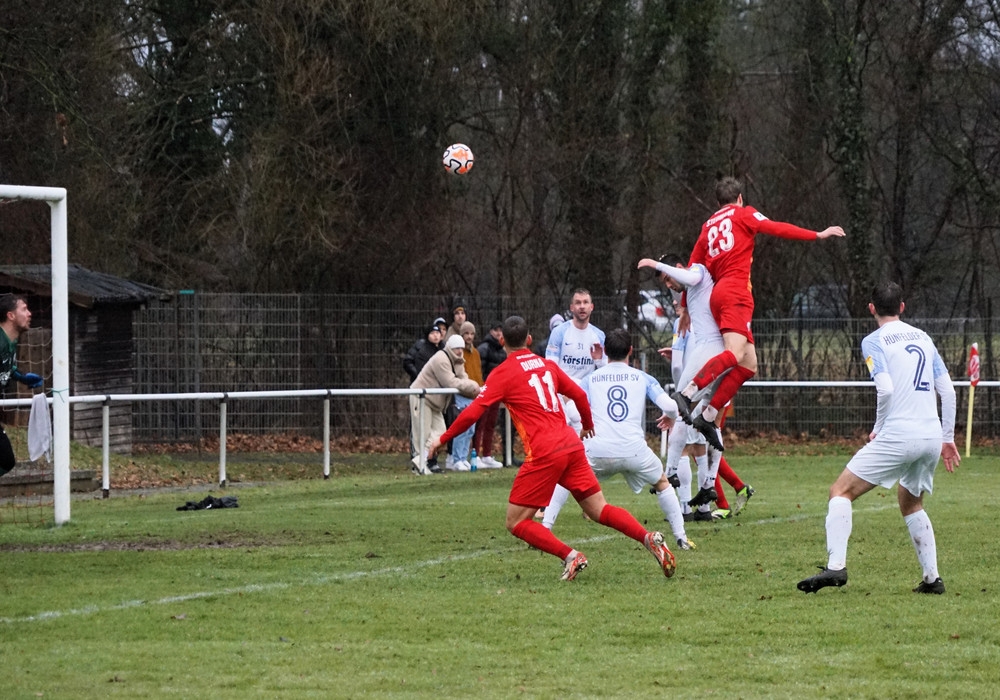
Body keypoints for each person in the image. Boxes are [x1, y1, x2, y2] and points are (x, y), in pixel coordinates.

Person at [428, 315, 677, 581]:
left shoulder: (502, 373)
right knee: (599, 509)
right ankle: (647, 537)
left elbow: (474, 411)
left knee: (516, 521)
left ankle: (571, 556)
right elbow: (579, 395)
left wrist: (442, 439)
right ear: (529, 339)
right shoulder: (547, 366)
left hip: (544, 452)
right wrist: (587, 426)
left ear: (502, 342)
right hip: (571, 444)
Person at [797, 282, 960, 594]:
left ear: (871, 308)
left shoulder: (874, 341)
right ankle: (932, 580)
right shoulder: (923, 337)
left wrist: (879, 426)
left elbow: (885, 389)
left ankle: (836, 567)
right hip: (930, 436)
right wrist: (947, 437)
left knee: (840, 491)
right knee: (911, 501)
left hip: (899, 433)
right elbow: (949, 392)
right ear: (902, 307)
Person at [672, 176, 846, 449]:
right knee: (734, 354)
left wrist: (684, 306)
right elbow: (777, 227)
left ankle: (708, 416)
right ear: (740, 198)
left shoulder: (708, 226)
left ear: (718, 203)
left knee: (748, 364)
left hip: (718, 294)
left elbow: (693, 268)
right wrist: (817, 234)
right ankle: (688, 392)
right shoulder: (744, 214)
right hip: (736, 292)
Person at [541, 328, 695, 551]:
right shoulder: (642, 377)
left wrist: (584, 425)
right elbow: (671, 405)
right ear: (630, 350)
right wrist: (670, 418)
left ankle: (545, 528)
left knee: (566, 478)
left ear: (605, 351)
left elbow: (572, 409)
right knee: (662, 483)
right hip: (634, 450)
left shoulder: (591, 379)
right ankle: (681, 538)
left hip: (598, 448)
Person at [639, 254, 755, 519]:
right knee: (708, 424)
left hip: (711, 354)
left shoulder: (698, 272)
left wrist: (656, 264)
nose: (669, 285)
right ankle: (709, 486)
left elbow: (689, 276)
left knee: (682, 413)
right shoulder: (695, 296)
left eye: (668, 279)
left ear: (679, 268)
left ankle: (671, 474)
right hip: (718, 357)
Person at [408, 334, 480, 475]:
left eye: (461, 348)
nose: (459, 351)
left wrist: (472, 387)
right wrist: (473, 386)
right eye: (457, 348)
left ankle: (423, 461)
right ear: (450, 348)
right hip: (422, 397)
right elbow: (450, 382)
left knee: (441, 433)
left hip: (436, 402)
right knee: (422, 434)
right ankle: (420, 465)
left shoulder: (458, 360)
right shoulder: (441, 359)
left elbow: (463, 378)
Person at [0, 294, 43, 477]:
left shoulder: (11, 341)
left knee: (6, 460)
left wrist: (22, 378)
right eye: (24, 309)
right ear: (11, 315)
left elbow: (7, 366)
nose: (29, 313)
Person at [447, 321, 496, 469]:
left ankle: (463, 457)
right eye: (466, 333)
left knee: (470, 430)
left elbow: (478, 373)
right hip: (463, 393)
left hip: (475, 394)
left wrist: (479, 389)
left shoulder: (475, 353)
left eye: (472, 334)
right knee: (462, 428)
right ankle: (457, 459)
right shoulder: (458, 354)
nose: (469, 336)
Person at [475, 321, 507, 469]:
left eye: (501, 330)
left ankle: (487, 455)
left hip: (497, 391)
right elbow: (480, 370)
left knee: (491, 424)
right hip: (485, 391)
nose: (499, 333)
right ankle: (475, 455)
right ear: (491, 332)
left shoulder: (502, 350)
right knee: (480, 424)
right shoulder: (484, 348)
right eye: (496, 330)